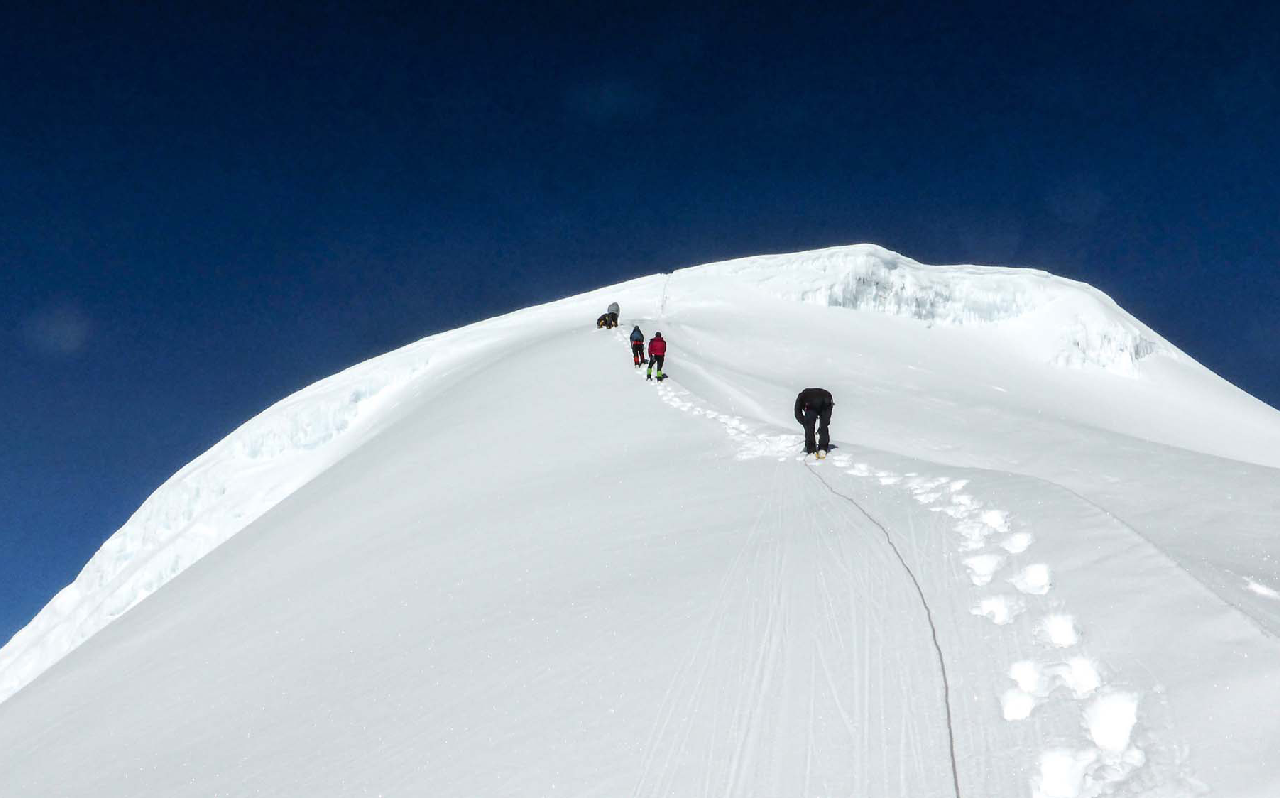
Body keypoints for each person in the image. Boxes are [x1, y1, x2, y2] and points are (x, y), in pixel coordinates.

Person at [794, 388, 834, 456]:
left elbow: (797, 414)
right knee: (824, 425)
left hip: (813, 403)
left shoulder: (801, 398)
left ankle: (811, 450)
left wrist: (804, 423)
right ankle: (823, 448)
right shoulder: (804, 396)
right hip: (826, 400)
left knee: (809, 427)